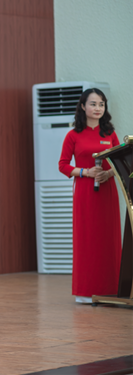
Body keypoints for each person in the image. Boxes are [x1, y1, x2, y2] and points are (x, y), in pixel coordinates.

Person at [58, 88, 121, 304]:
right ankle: (85, 292)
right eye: (93, 104)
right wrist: (86, 172)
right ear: (83, 106)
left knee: (108, 238)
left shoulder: (110, 134)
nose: (98, 108)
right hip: (85, 192)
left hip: (107, 191)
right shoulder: (73, 135)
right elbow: (63, 166)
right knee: (87, 239)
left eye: (101, 104)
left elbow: (120, 162)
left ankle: (111, 289)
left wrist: (108, 174)